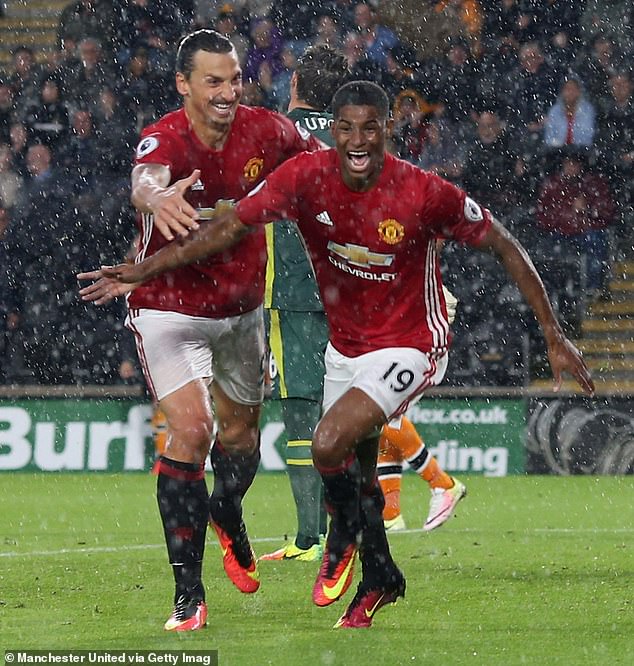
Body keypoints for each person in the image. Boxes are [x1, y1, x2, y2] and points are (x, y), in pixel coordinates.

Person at [80, 81, 595, 629]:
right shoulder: (305, 177)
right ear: (333, 130)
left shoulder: (423, 192)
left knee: (328, 442)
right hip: (345, 347)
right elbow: (232, 224)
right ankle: (381, 575)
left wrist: (552, 331)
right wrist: (147, 267)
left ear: (387, 129)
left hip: (412, 341)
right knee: (360, 469)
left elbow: (504, 243)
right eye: (345, 128)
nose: (356, 139)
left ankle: (341, 536)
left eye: (369, 128)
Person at [79, 28, 321, 633]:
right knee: (192, 429)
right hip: (167, 306)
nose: (227, 91)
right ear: (184, 84)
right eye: (213, 81)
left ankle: (227, 511)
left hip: (241, 313)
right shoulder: (165, 136)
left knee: (240, 445)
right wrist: (156, 200)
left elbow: (319, 162)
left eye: (234, 79)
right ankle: (188, 593)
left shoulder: (268, 131)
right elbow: (146, 179)